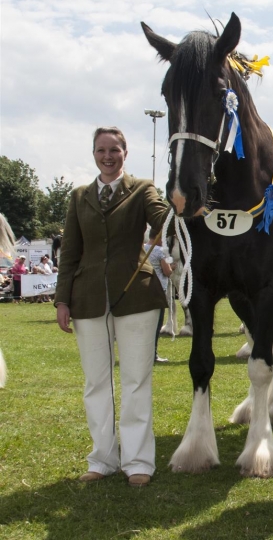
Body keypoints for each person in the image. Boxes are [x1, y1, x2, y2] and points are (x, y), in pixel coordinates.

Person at [54, 127, 169, 488]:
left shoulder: (142, 189)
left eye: (114, 150)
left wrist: (173, 210)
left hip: (137, 297)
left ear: (125, 152)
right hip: (87, 300)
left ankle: (138, 462)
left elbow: (162, 221)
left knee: (136, 381)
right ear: (93, 153)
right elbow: (70, 252)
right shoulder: (79, 196)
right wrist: (61, 299)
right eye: (101, 150)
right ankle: (102, 459)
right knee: (96, 383)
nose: (108, 156)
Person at [143, 236, 173, 363]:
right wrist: (173, 267)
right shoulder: (161, 251)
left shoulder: (143, 248)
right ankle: (153, 354)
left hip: (144, 288)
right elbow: (167, 272)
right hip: (159, 289)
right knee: (156, 324)